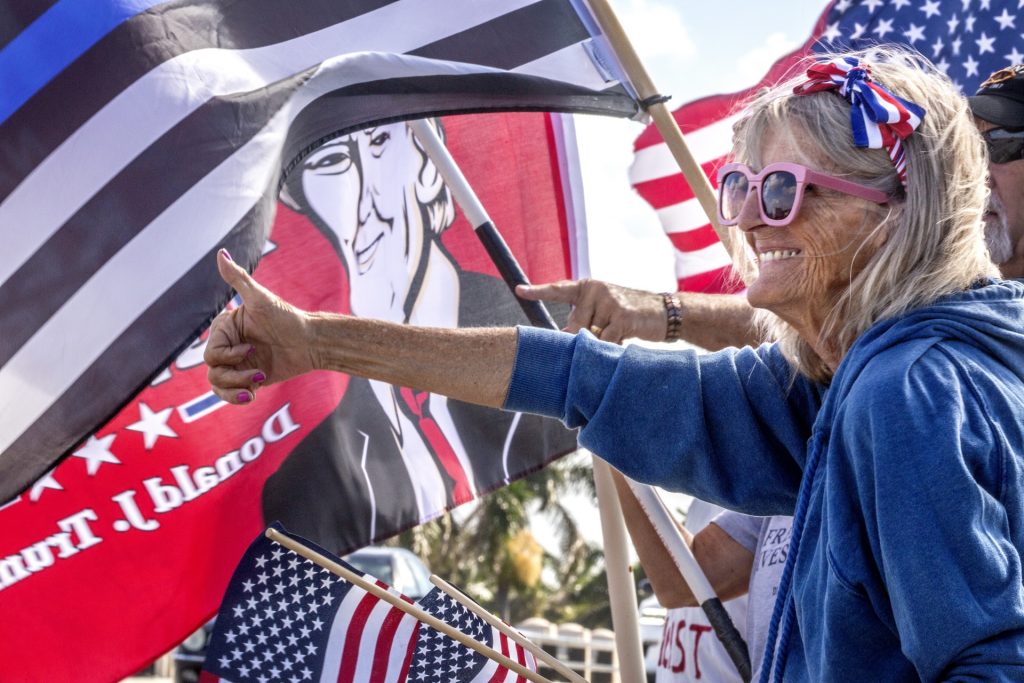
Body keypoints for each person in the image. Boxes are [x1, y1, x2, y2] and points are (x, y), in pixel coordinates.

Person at [206, 49, 1024, 679]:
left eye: (782, 192)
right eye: (740, 188)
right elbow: (579, 377)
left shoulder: (904, 391)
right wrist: (317, 343)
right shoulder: (877, 376)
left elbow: (990, 661)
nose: (748, 222)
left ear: (890, 217)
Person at [517, 61, 1024, 680]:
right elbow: (692, 576)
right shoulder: (864, 378)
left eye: (996, 142)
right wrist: (612, 390)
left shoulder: (908, 385)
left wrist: (647, 335)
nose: (970, 166)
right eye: (966, 141)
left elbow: (988, 660)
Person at [262, 119, 574, 552]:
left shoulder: (558, 340)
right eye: (332, 163)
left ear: (430, 167)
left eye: (376, 144)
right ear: (302, 200)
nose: (361, 202)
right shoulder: (306, 482)